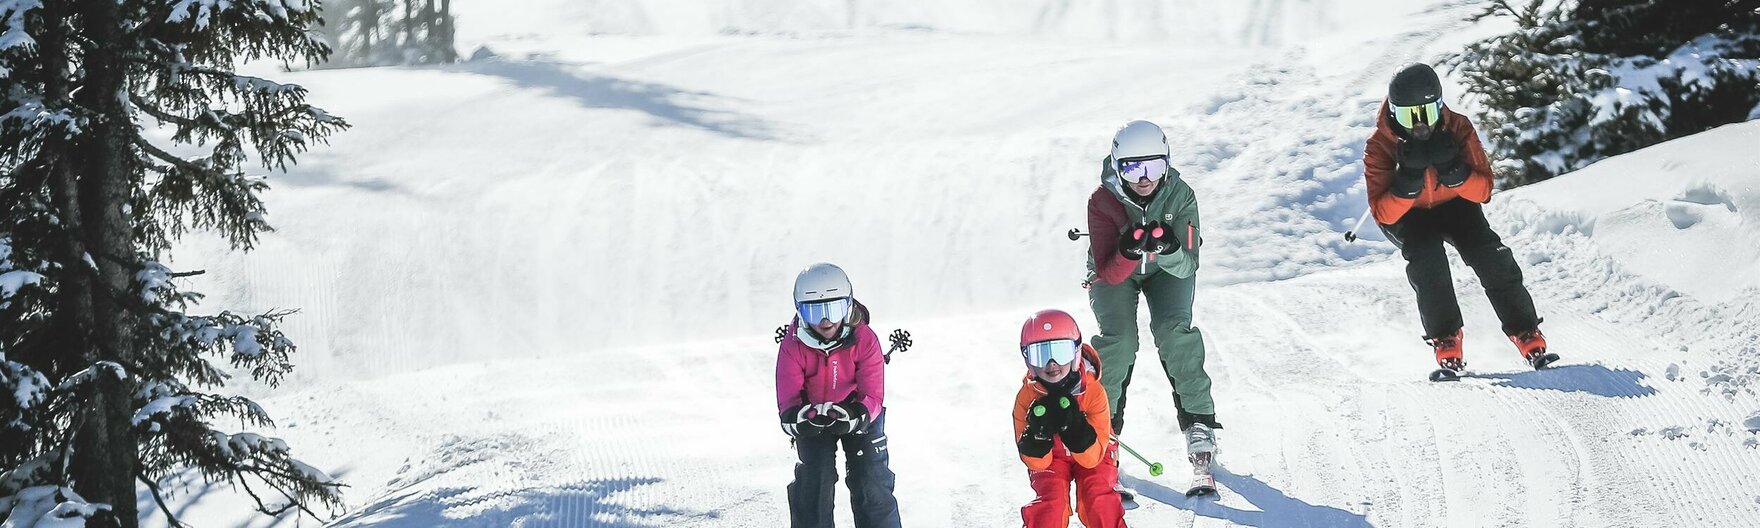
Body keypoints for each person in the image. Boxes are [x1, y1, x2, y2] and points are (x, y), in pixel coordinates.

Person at [1362, 63, 1555, 373]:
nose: (1421, 125)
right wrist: (1407, 183)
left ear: (1440, 106)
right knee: (1427, 260)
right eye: (1410, 116)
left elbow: (1484, 190)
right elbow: (1383, 213)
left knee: (1490, 254)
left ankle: (1525, 331)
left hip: (1456, 205)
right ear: (1394, 113)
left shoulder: (1458, 127)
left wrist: (1456, 173)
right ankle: (1446, 338)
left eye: (1428, 113)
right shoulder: (1379, 145)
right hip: (1409, 215)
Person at [1085, 120, 1221, 464]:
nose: (1144, 179)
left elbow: (1187, 266)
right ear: (1117, 168)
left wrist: (1169, 247)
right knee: (1118, 340)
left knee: (1175, 333)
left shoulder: (1180, 194)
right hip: (1117, 270)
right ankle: (1103, 428)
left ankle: (1199, 423)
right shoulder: (1103, 201)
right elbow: (1109, 274)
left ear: (1167, 163)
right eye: (1132, 169)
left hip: (1166, 270)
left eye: (1154, 167)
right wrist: (1129, 252)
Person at [775, 263, 902, 528]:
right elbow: (788, 400)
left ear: (848, 305)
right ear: (799, 311)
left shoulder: (864, 339)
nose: (826, 321)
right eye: (814, 312)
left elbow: (873, 394)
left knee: (871, 479)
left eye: (834, 310)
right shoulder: (793, 344)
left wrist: (858, 414)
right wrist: (798, 418)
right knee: (815, 480)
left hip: (859, 412)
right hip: (813, 416)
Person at [1013, 309, 1127, 528]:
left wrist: (1077, 432)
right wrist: (1037, 440)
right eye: (1040, 355)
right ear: (1028, 360)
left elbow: (1093, 459)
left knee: (1098, 499)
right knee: (1051, 503)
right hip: (1053, 458)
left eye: (1060, 352)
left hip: (1094, 451)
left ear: (1075, 352)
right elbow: (1036, 463)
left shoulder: (1093, 391)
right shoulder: (1026, 398)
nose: (1052, 363)